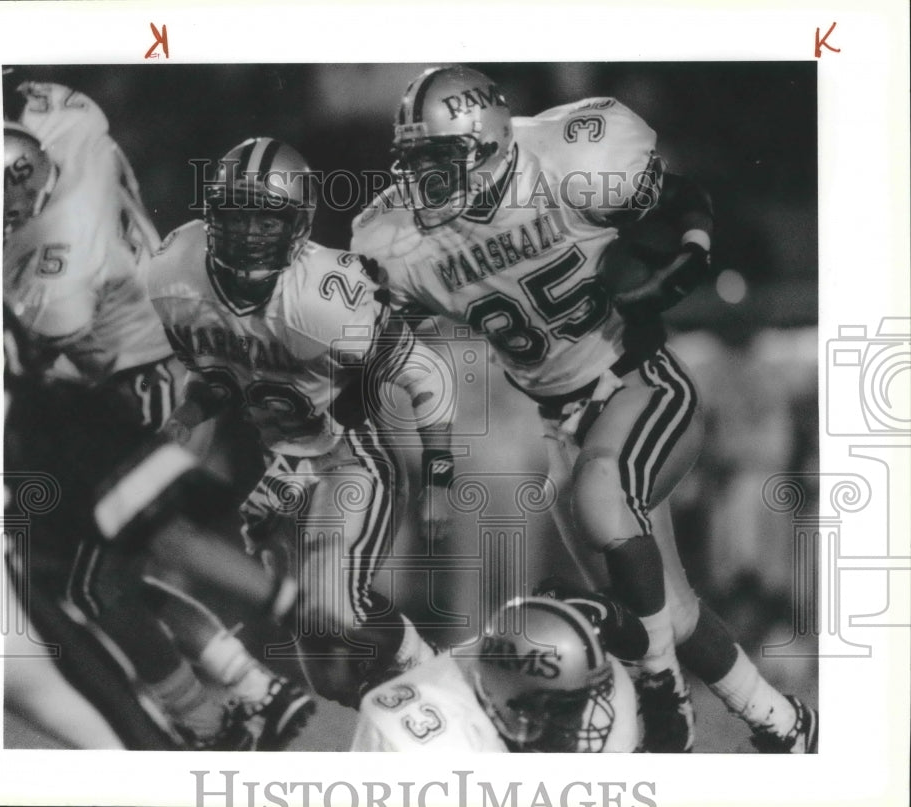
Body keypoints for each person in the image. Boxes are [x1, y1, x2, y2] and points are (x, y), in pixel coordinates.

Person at [351, 65, 817, 753]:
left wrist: (683, 266)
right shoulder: (401, 240)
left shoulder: (568, 158)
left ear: (486, 144)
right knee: (665, 611)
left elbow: (683, 199)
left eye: (439, 162)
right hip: (561, 422)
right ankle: (784, 723)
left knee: (605, 498)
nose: (423, 183)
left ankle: (664, 699)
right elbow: (368, 328)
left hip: (639, 380)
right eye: (416, 164)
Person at [3, 81, 311, 749]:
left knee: (94, 578)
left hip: (126, 383)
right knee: (99, 574)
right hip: (145, 361)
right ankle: (248, 686)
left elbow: (46, 344)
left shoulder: (55, 255)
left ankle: (232, 698)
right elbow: (52, 110)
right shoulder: (66, 120)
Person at [149, 136, 456, 708]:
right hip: (281, 463)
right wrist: (189, 412)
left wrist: (439, 474)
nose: (246, 232)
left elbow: (427, 374)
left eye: (265, 218)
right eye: (235, 214)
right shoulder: (176, 271)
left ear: (298, 222)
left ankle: (440, 676)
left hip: (349, 459)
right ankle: (420, 730)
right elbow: (223, 376)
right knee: (335, 678)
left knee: (334, 608)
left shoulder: (322, 294)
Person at [352, 587, 645, 752]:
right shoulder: (428, 743)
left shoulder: (595, 685)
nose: (579, 721)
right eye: (564, 708)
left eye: (579, 701)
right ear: (510, 702)